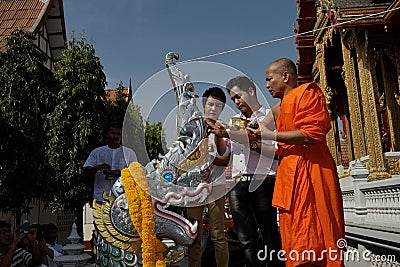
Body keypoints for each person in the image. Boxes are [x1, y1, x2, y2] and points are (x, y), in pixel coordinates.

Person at [248, 58, 345, 267]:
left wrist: (269, 134)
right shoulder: (278, 107)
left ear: (285, 76)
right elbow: (258, 131)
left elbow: (312, 134)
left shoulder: (306, 93)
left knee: (315, 236)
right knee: (295, 237)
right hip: (288, 176)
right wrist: (229, 132)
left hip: (311, 171)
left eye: (269, 79)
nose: (266, 85)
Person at [207, 76, 284, 267]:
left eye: (238, 96)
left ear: (251, 91)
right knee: (246, 239)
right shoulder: (235, 123)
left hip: (263, 180)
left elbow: (276, 152)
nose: (237, 102)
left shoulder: (271, 116)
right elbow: (227, 155)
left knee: (269, 234)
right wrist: (219, 135)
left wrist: (251, 141)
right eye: (233, 99)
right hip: (238, 182)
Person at [187, 87, 230, 267]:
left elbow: (224, 159)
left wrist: (218, 134)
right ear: (204, 105)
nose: (213, 108)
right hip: (194, 187)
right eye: (210, 104)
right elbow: (187, 157)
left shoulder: (224, 128)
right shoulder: (191, 126)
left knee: (218, 235)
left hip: (217, 186)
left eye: (218, 106)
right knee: (193, 234)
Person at [83, 124, 138, 202]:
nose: (116, 136)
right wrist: (98, 167)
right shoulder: (97, 152)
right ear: (107, 135)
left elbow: (137, 174)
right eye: (113, 133)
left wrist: (121, 173)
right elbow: (85, 170)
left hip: (123, 199)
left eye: (118, 134)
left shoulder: (129, 153)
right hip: (101, 198)